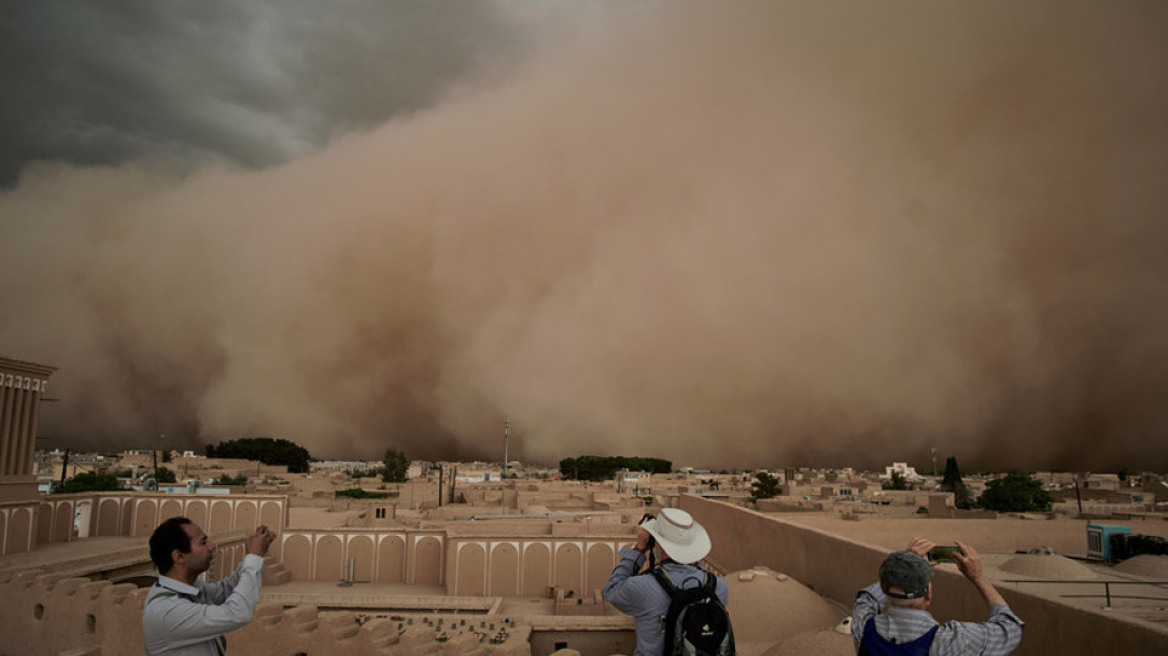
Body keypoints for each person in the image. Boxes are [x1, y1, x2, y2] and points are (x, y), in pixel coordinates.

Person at [852, 537, 1024, 655]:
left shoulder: (864, 629)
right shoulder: (949, 641)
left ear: (883, 587)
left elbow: (867, 599)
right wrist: (978, 576)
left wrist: (903, 564)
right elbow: (1010, 628)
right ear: (929, 592)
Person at [603, 508, 730, 656]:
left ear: (659, 545)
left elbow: (611, 589)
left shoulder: (643, 587)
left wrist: (639, 548)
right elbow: (696, 574)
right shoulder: (719, 587)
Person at [143, 517, 277, 656]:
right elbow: (237, 613)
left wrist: (252, 555)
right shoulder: (166, 611)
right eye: (203, 542)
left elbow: (225, 590)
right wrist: (254, 557)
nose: (211, 546)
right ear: (179, 556)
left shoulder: (188, 589)